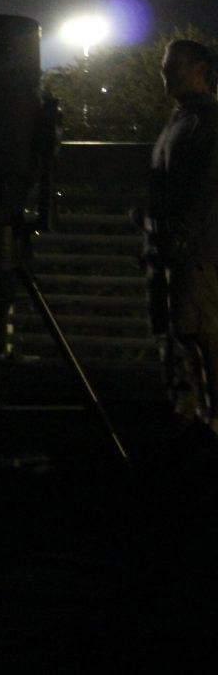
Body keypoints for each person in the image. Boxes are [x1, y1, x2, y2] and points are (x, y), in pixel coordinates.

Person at [147, 39, 218, 428]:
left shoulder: (204, 121)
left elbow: (207, 190)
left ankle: (208, 415)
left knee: (199, 333)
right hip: (172, 248)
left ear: (200, 70)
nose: (164, 71)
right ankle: (192, 412)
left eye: (173, 65)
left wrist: (181, 237)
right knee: (181, 331)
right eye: (164, 65)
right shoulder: (183, 119)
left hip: (192, 252)